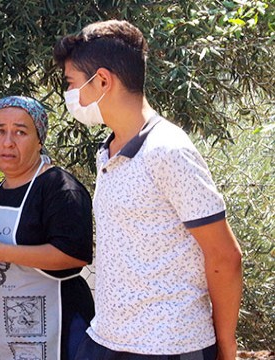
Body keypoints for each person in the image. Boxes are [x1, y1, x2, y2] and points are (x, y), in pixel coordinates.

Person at [53, 20, 243, 360]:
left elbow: (224, 256)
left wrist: (226, 348)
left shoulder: (168, 150)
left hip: (168, 346)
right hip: (107, 339)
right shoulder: (108, 151)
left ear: (102, 81)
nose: (69, 96)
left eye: (71, 84)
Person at [0, 96, 95, 360]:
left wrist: (1, 253)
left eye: (20, 131)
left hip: (56, 332)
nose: (7, 142)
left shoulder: (60, 188)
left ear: (39, 139)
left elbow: (74, 255)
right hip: (0, 338)